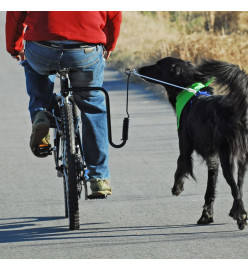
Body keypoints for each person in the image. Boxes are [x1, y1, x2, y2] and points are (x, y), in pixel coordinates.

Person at [5, 11, 122, 196]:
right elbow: (114, 14)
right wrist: (109, 44)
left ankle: (41, 113)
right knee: (92, 105)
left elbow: (15, 14)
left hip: (42, 49)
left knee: (35, 71)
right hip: (85, 50)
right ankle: (98, 178)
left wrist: (14, 47)